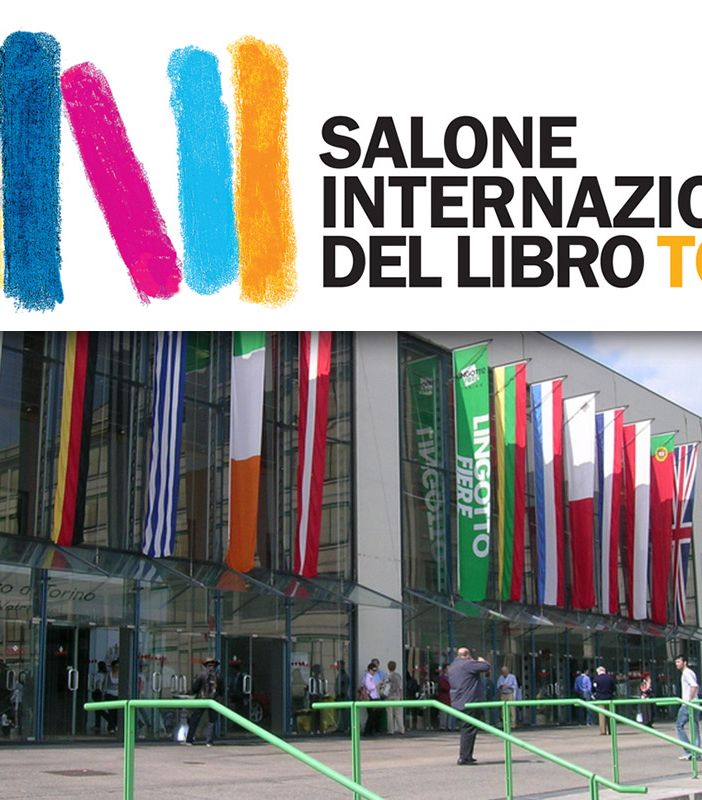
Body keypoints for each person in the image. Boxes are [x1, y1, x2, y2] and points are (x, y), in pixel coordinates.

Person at [448, 647, 490, 765]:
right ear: (467, 655)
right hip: (470, 701)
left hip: (457, 702)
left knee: (466, 729)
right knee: (469, 729)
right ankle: (465, 757)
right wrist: (482, 661)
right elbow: (486, 667)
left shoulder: (453, 666)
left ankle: (467, 755)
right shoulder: (467, 664)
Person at [185, 657, 224, 746]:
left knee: (194, 720)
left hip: (201, 700)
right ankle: (209, 741)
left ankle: (189, 740)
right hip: (213, 701)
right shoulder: (218, 675)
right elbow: (221, 690)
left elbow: (195, 687)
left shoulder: (201, 674)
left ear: (206, 665)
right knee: (212, 721)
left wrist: (190, 693)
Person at [675, 654, 699, 760]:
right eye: (676, 662)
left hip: (688, 705)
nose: (677, 664)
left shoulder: (686, 673)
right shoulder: (690, 672)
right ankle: (697, 752)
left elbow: (694, 685)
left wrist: (689, 699)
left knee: (679, 726)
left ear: (685, 662)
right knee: (695, 728)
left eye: (679, 662)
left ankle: (689, 751)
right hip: (695, 703)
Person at [591, 666, 615, 735]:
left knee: (601, 715)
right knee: (610, 715)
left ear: (598, 671)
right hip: (609, 698)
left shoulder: (596, 679)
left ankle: (603, 731)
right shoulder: (610, 678)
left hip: (600, 699)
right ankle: (611, 730)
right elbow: (614, 688)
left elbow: (593, 689)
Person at [362, 662, 383, 736]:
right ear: (369, 670)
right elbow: (370, 687)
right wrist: (377, 685)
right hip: (370, 697)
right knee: (371, 715)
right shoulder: (367, 678)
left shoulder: (371, 677)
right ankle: (367, 731)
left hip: (374, 697)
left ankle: (370, 731)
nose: (374, 672)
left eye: (375, 670)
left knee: (373, 715)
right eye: (373, 670)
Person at [385, 660, 404, 734]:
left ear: (388, 667)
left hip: (389, 695)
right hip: (397, 695)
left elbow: (386, 686)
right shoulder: (398, 676)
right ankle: (401, 729)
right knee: (398, 713)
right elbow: (400, 687)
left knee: (389, 713)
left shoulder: (387, 676)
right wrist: (401, 696)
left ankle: (390, 730)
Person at [92, 661, 110, 733]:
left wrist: (101, 692)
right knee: (98, 709)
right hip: (99, 692)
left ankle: (107, 719)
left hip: (98, 692)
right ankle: (97, 724)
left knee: (98, 709)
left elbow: (99, 684)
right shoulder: (105, 674)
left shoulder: (100, 675)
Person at [334, 659, 351, 733]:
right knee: (340, 713)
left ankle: (343, 727)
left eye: (338, 665)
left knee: (343, 713)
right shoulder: (340, 675)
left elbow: (345, 687)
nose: (337, 667)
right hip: (340, 697)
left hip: (343, 697)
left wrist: (342, 693)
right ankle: (340, 727)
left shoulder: (344, 676)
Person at [104, 659, 120, 734]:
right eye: (116, 666)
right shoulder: (109, 674)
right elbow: (105, 684)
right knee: (111, 711)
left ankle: (115, 725)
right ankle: (111, 727)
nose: (117, 668)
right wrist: (103, 694)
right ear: (113, 667)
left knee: (116, 712)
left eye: (118, 667)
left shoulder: (121, 675)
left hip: (118, 694)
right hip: (109, 694)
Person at [437, 666, 455, 731]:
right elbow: (444, 687)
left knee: (450, 713)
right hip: (444, 698)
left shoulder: (452, 677)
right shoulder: (442, 678)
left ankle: (450, 726)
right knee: (443, 713)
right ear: (445, 670)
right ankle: (443, 726)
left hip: (451, 698)